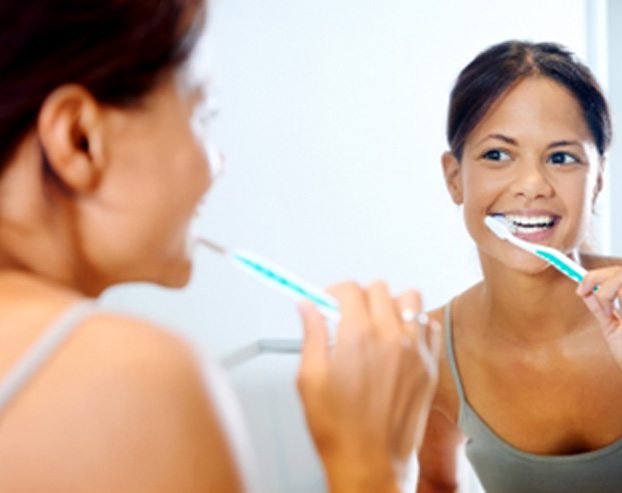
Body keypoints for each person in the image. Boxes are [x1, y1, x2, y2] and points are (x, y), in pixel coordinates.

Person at [0, 1, 442, 492]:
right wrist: (372, 464)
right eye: (202, 115)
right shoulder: (135, 380)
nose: (220, 163)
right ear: (79, 139)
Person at [417, 40, 622, 493]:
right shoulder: (429, 348)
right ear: (454, 178)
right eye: (497, 154)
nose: (531, 185)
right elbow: (435, 483)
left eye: (561, 157)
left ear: (599, 179)